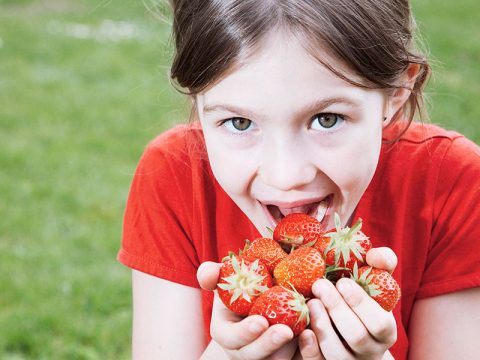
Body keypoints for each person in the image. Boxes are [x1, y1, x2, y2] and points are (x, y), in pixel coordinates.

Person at [117, 0, 480, 359]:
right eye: (240, 123)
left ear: (396, 94)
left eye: (327, 119)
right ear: (198, 102)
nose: (286, 176)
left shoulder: (452, 182)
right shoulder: (174, 175)